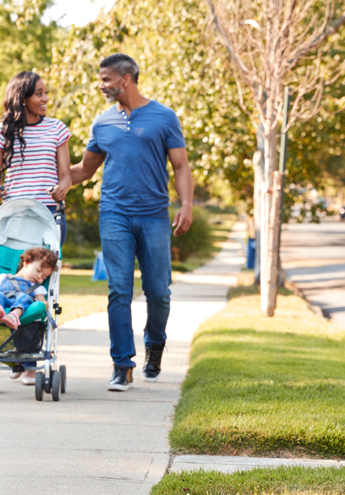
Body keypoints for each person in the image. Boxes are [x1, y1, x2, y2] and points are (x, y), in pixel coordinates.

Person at [68, 53, 195, 392]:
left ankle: (155, 345)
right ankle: (121, 365)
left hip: (154, 214)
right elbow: (85, 169)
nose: (101, 85)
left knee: (158, 292)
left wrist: (187, 205)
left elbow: (181, 166)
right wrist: (54, 179)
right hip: (114, 213)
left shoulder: (163, 117)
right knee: (118, 290)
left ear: (126, 78)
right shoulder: (102, 123)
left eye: (106, 79)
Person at [0, 71, 72, 243]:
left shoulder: (57, 129)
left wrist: (62, 188)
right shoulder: (1, 132)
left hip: (48, 213)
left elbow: (66, 177)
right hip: (13, 214)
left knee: (44, 268)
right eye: (39, 94)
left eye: (46, 92)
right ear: (23, 99)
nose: (46, 99)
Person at [0, 247, 59, 385]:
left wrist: (42, 304)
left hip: (23, 312)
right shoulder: (3, 277)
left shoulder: (36, 287)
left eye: (44, 277)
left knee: (24, 298)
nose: (39, 278)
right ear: (26, 262)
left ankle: (14, 315)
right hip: (4, 305)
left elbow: (43, 303)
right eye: (38, 271)